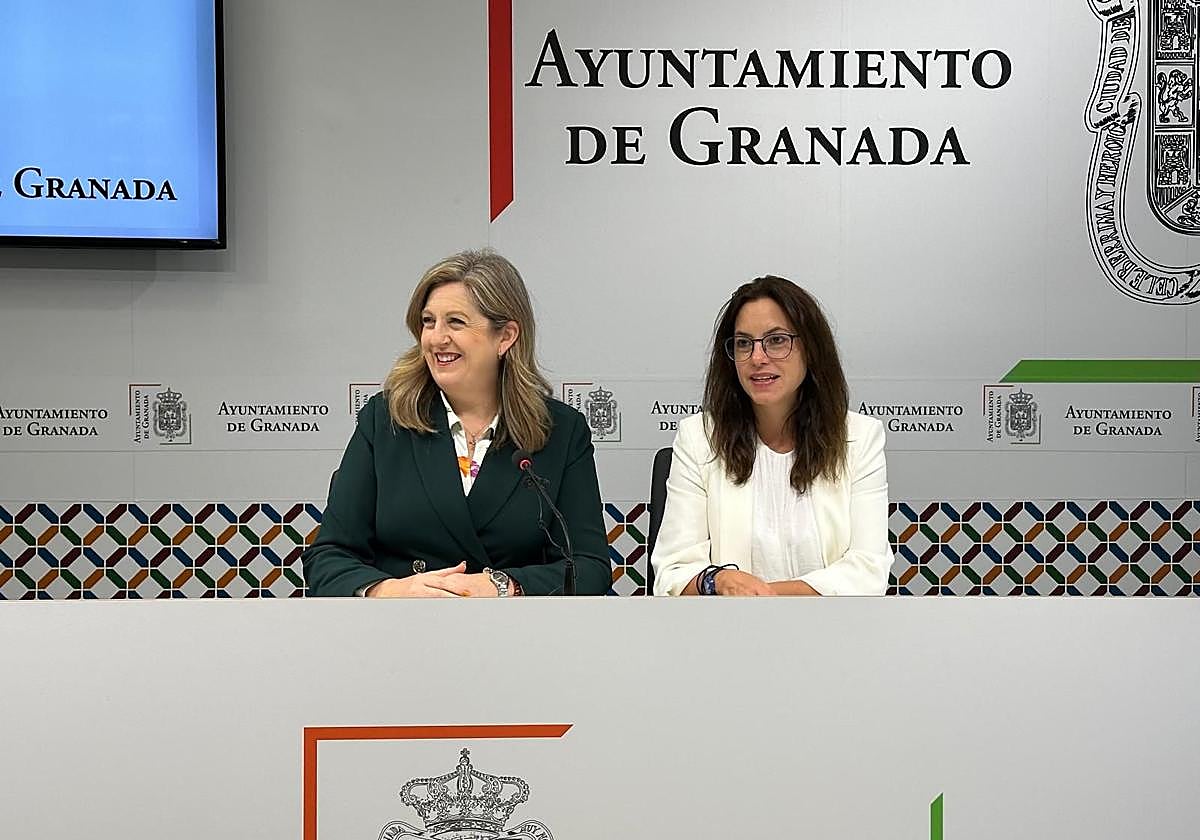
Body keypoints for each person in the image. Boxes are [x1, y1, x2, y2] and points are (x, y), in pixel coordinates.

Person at [303, 249, 610, 597]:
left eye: (456, 322)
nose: (436, 338)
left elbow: (589, 569)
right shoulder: (386, 419)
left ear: (506, 337)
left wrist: (502, 585)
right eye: (428, 321)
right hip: (400, 633)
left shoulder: (560, 430)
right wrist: (390, 591)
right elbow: (327, 559)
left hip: (514, 636)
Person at [651, 276, 892, 596]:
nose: (757, 357)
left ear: (811, 348)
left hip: (833, 634)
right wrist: (718, 581)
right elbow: (673, 573)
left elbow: (868, 572)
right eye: (743, 343)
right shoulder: (699, 438)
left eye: (776, 340)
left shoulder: (860, 439)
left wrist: (762, 596)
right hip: (724, 634)